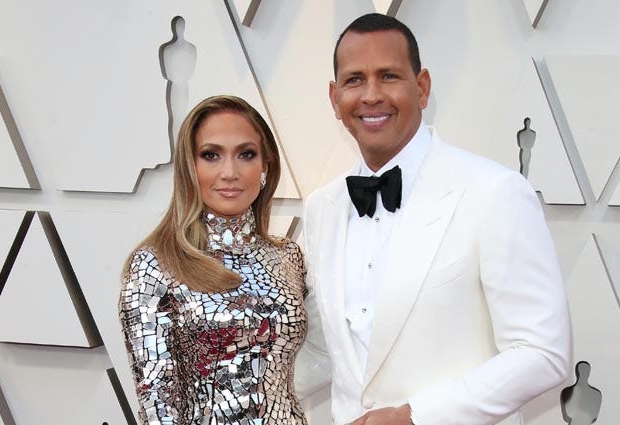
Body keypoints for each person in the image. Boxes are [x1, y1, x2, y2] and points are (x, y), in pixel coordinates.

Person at [298, 13, 571, 425]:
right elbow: (327, 347)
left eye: (388, 76)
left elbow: (543, 352)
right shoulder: (322, 207)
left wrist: (414, 417)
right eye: (355, 80)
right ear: (335, 99)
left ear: (422, 87)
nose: (371, 95)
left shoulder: (494, 191)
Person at [120, 95, 309, 424]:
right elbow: (157, 403)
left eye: (246, 154)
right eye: (211, 155)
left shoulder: (287, 255)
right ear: (189, 168)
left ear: (266, 166)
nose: (230, 172)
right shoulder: (154, 264)